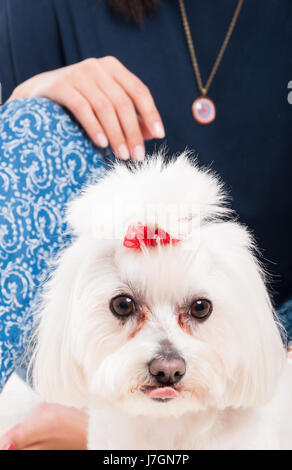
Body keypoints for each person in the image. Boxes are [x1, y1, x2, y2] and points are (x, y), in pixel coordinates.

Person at [0, 0, 291, 450]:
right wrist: (28, 98)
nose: (166, 362)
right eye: (125, 307)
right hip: (77, 317)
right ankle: (100, 411)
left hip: (273, 329)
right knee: (28, 125)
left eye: (196, 310)